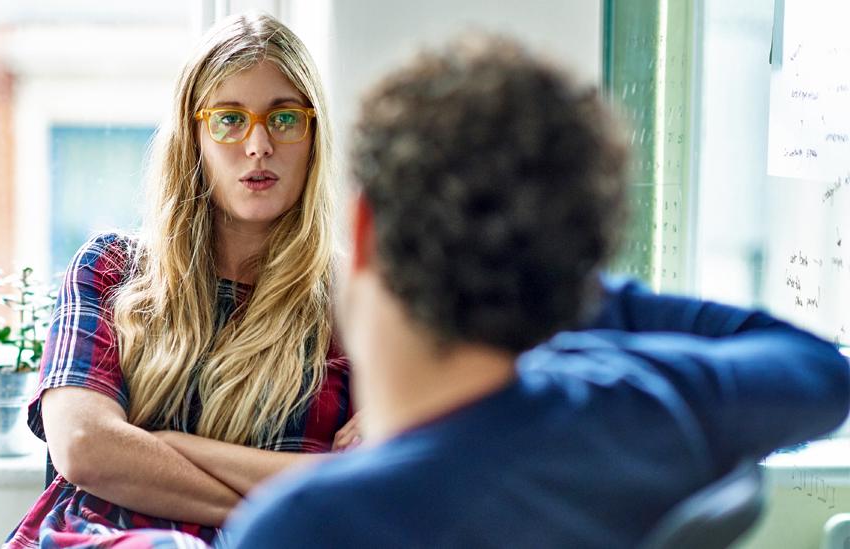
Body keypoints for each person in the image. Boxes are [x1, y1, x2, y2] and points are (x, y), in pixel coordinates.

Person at [220, 33, 850, 548]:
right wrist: (553, 278)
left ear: (364, 232)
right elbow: (819, 370)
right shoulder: (643, 417)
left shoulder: (305, 528)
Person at [6, 12, 357, 549]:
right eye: (229, 119)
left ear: (314, 137)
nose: (258, 144)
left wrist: (161, 446)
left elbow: (360, 487)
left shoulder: (354, 302)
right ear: (192, 137)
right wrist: (280, 501)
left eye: (285, 119)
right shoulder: (108, 270)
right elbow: (82, 446)